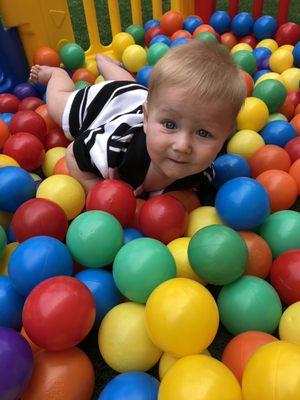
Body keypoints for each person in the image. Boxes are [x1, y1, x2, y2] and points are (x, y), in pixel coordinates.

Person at [30, 40, 246, 201]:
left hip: (141, 97)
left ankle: (105, 62)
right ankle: (58, 75)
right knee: (60, 107)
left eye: (203, 133)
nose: (182, 146)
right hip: (105, 105)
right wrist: (96, 192)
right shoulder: (118, 146)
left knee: (133, 88)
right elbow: (74, 154)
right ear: (147, 118)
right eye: (170, 125)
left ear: (225, 137)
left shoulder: (202, 174)